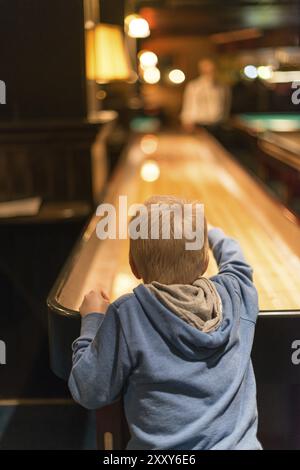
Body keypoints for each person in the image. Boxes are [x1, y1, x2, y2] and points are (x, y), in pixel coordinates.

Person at [68, 195, 261, 450]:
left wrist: (92, 320)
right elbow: (238, 263)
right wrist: (212, 233)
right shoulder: (234, 293)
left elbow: (88, 389)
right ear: (205, 262)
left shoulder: (128, 315)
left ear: (133, 266)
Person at [181, 58, 231, 138]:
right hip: (199, 124)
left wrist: (225, 121)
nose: (210, 71)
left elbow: (226, 105)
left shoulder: (223, 87)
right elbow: (189, 105)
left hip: (218, 124)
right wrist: (187, 120)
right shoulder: (194, 86)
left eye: (213, 69)